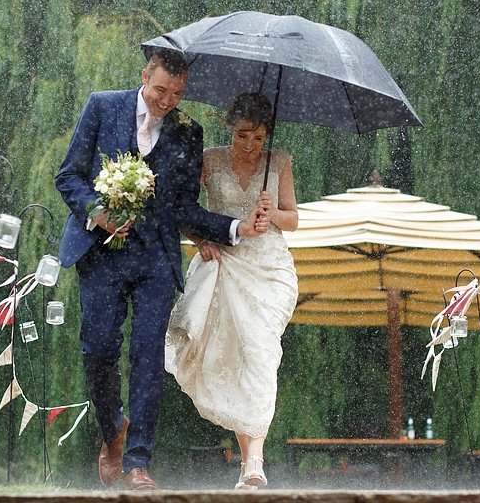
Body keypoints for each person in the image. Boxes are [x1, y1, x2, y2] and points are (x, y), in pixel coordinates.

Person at [54, 50, 270, 491]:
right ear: (143, 78)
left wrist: (236, 227)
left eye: (177, 93)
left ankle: (137, 463)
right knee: (97, 348)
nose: (168, 100)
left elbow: (184, 207)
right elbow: (69, 176)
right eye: (160, 90)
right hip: (101, 251)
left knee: (149, 357)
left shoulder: (189, 133)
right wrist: (99, 212)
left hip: (155, 257)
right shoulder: (102, 106)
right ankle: (113, 425)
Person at [165, 92, 299, 490]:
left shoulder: (280, 162)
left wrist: (271, 212)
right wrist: (200, 240)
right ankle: (249, 463)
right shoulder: (208, 158)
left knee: (259, 353)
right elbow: (181, 208)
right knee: (231, 357)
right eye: (242, 135)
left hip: (269, 271)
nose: (249, 146)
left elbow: (292, 219)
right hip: (223, 265)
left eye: (258, 138)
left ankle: (254, 461)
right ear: (230, 127)